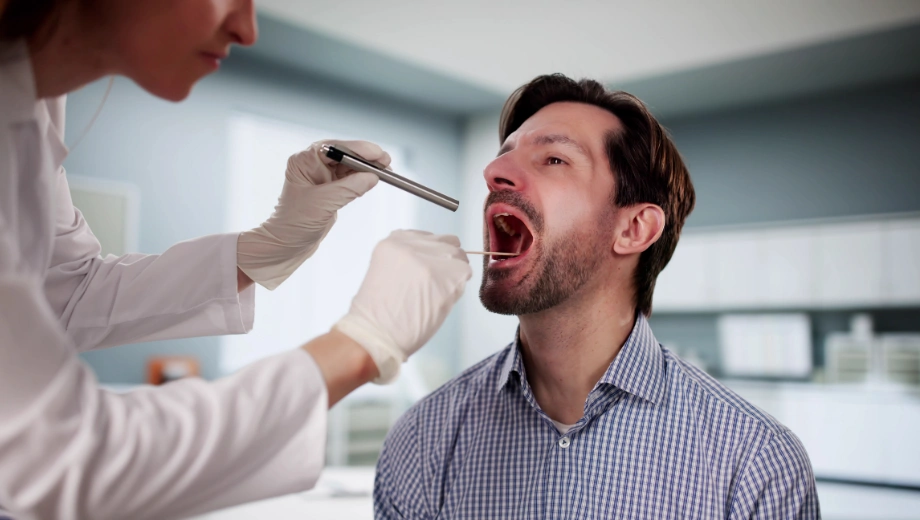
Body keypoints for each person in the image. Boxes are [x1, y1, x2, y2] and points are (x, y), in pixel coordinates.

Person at [0, 1, 472, 519]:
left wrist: (270, 245)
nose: (247, 30)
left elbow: (68, 294)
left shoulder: (27, 111)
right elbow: (59, 461)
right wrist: (361, 344)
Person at [374, 74, 820, 519]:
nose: (494, 174)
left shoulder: (756, 463)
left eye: (553, 159)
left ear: (633, 229)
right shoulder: (422, 439)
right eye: (503, 157)